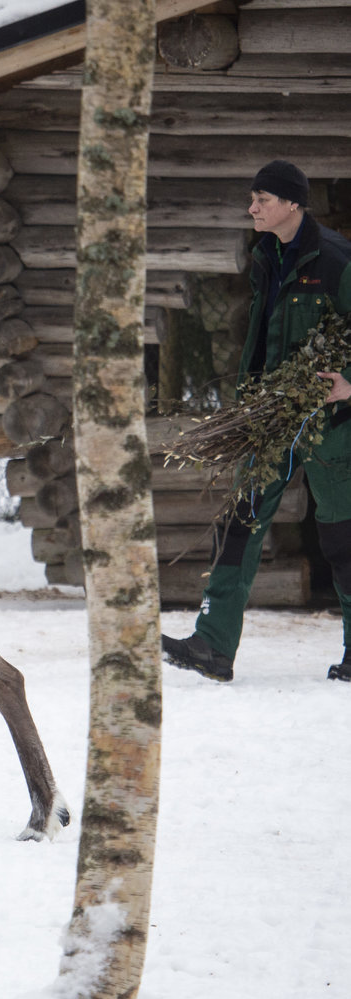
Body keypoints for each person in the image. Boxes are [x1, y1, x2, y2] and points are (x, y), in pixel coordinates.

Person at [162, 160, 351, 684]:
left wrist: (350, 383)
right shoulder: (265, 254)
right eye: (252, 198)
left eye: (262, 199)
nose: (252, 208)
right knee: (239, 522)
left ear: (292, 204)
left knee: (342, 537)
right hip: (272, 418)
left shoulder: (337, 260)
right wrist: (249, 402)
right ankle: (213, 646)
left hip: (332, 423)